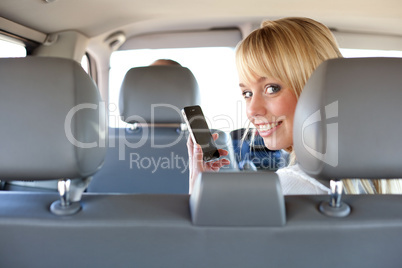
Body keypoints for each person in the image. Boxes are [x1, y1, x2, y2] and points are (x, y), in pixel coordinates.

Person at [187, 17, 402, 195]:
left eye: (272, 88)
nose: (252, 110)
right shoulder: (380, 189)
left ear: (315, 89)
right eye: (247, 93)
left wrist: (199, 191)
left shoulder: (287, 190)